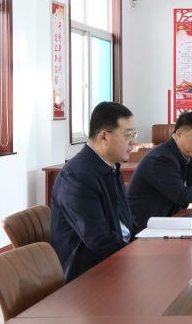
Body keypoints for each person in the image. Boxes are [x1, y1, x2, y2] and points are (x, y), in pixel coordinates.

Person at [51, 102, 138, 283]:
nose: (133, 142)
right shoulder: (76, 176)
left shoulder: (111, 168)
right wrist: (138, 257)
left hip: (117, 261)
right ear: (104, 136)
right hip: (88, 275)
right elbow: (99, 240)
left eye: (134, 135)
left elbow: (128, 222)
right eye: (128, 135)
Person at [128, 111, 192, 229]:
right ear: (179, 134)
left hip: (168, 219)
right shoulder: (161, 158)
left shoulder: (182, 155)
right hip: (146, 228)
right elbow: (181, 196)